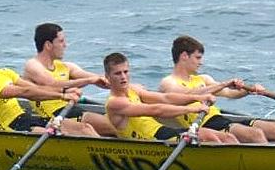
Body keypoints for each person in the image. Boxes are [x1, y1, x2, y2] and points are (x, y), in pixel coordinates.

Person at [160, 35, 275, 144]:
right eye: (198, 58)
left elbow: (230, 94)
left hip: (221, 120)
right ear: (184, 56)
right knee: (256, 134)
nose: (201, 62)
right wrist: (223, 84)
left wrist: (249, 89)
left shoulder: (203, 79)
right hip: (203, 126)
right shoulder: (169, 82)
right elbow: (186, 95)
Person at [0, 38, 100, 135]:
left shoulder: (5, 72)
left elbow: (34, 87)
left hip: (24, 118)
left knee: (84, 129)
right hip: (8, 128)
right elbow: (25, 92)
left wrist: (64, 90)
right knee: (59, 137)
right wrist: (62, 96)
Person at [101, 52, 236, 144]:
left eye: (126, 72)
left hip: (162, 132)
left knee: (227, 137)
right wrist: (191, 110)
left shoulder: (133, 89)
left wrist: (197, 98)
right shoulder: (115, 103)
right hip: (151, 142)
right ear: (107, 77)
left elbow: (165, 98)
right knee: (208, 137)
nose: (123, 77)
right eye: (117, 73)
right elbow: (156, 110)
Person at [24, 23, 114, 136]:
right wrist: (89, 80)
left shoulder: (66, 66)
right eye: (61, 41)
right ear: (48, 45)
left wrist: (121, 84)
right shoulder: (33, 65)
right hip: (52, 118)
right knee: (87, 129)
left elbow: (98, 79)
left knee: (118, 124)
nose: (65, 45)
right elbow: (53, 84)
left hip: (71, 110)